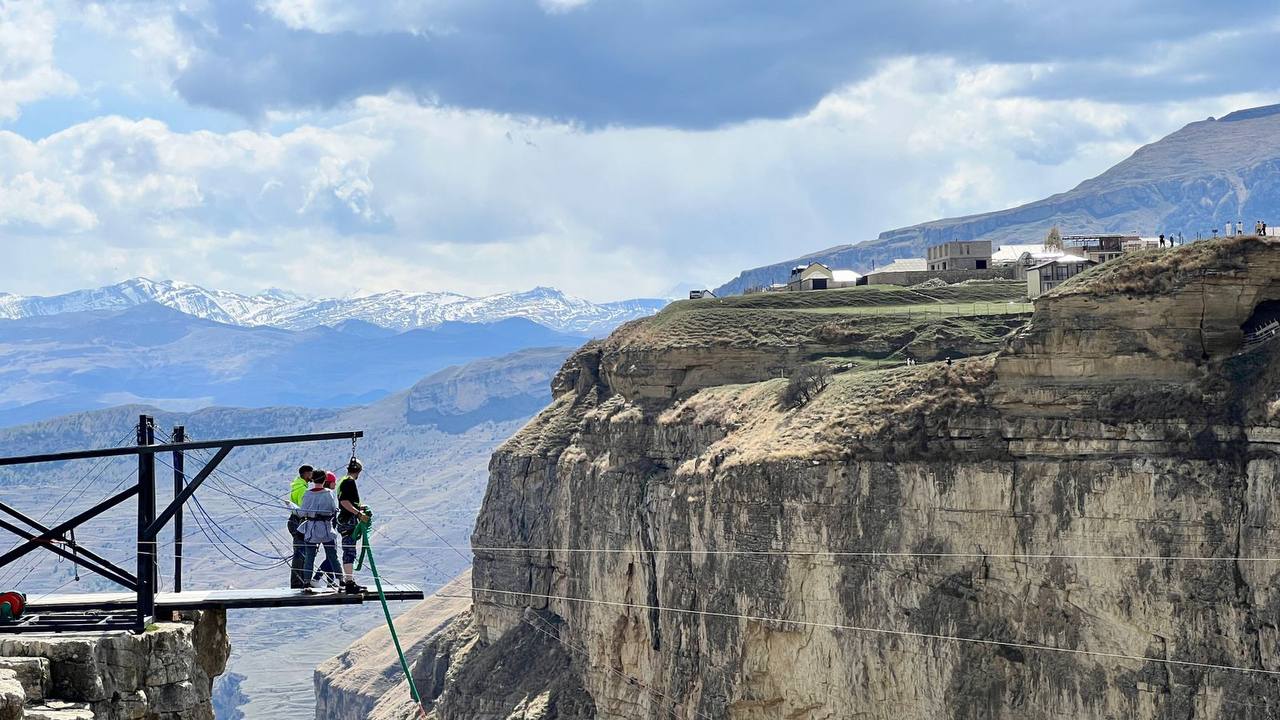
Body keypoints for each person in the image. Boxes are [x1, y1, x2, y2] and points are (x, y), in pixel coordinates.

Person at [299, 469, 341, 592]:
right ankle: (341, 580)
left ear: (313, 479)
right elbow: (333, 509)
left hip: (311, 530)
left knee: (309, 557)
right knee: (332, 556)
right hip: (326, 529)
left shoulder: (307, 494)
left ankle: (306, 582)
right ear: (324, 480)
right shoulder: (329, 494)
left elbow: (302, 513)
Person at [336, 458, 370, 594]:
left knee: (349, 550)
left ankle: (350, 581)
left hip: (345, 519)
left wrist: (359, 507)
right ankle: (349, 582)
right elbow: (344, 502)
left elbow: (345, 501)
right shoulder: (349, 482)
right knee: (349, 550)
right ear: (359, 471)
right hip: (348, 520)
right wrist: (358, 514)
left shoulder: (342, 481)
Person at [286, 464, 313, 589]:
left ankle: (300, 580)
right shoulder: (302, 489)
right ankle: (298, 582)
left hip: (294, 520)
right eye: (311, 473)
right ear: (306, 474)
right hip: (299, 521)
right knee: (300, 552)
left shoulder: (297, 486)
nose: (312, 476)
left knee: (301, 551)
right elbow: (304, 508)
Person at [312, 471, 341, 587]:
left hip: (321, 528)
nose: (335, 484)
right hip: (329, 528)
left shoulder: (321, 494)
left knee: (330, 555)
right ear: (329, 482)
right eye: (334, 482)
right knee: (332, 556)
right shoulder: (329, 494)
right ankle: (316, 578)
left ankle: (330, 580)